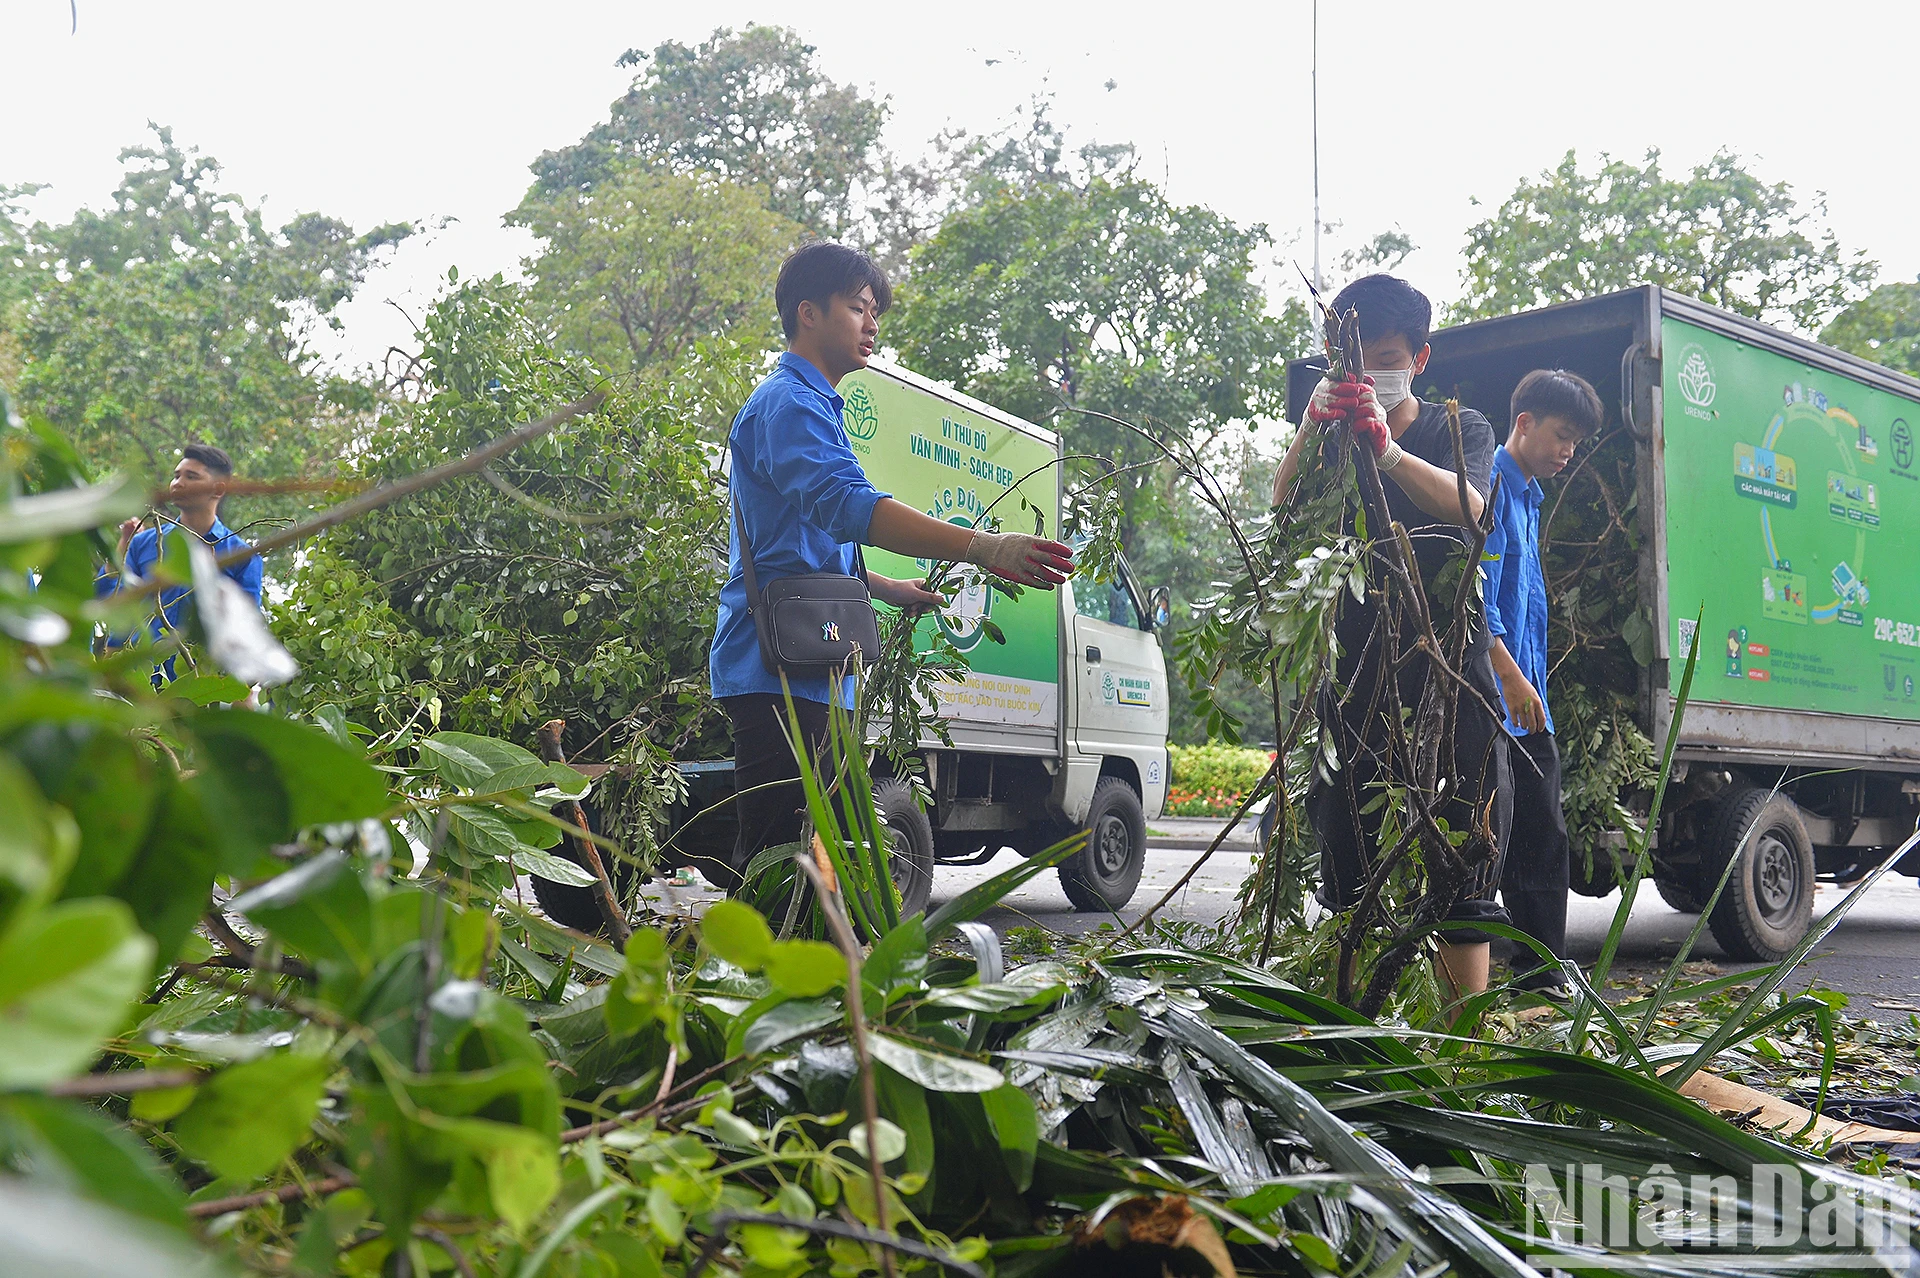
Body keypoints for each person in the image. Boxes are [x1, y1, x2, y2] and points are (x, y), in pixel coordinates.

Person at [707, 242, 1074, 888]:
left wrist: (883, 587)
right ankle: (763, 985)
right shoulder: (789, 406)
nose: (872, 324)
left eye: (876, 311)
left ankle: (813, 982)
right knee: (778, 865)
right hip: (778, 677)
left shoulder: (812, 407)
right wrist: (984, 547)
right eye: (858, 307)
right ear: (808, 313)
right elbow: (851, 507)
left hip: (810, 670)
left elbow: (792, 552)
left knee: (813, 862)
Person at [1272, 273, 1509, 1001]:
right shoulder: (1325, 432)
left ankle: (1463, 1054)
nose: (1372, 371)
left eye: (1387, 355)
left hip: (1445, 675)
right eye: (1353, 356)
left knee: (1464, 855)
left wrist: (1391, 455)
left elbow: (1477, 511)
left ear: (1420, 359)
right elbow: (1281, 512)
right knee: (1349, 858)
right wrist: (1315, 425)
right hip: (1354, 680)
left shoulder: (1455, 428)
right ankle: (1358, 1036)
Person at [1481, 369, 1603, 993]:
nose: (1568, 452)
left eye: (1576, 442)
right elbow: (1478, 596)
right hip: (1495, 698)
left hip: (1530, 702)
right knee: (1497, 836)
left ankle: (1539, 973)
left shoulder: (1529, 495)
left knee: (1543, 833)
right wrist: (1508, 677)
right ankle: (1518, 974)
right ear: (1523, 423)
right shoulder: (1493, 485)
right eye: (1562, 435)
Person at [96, 443, 264, 683]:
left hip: (198, 687)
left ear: (218, 489)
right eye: (176, 476)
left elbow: (245, 629)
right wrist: (121, 547)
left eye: (191, 476)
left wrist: (241, 692)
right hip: (136, 681)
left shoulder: (241, 556)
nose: (178, 483)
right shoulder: (143, 543)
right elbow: (110, 600)